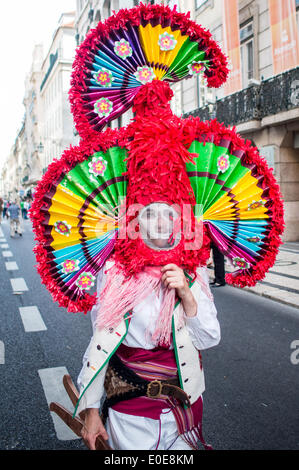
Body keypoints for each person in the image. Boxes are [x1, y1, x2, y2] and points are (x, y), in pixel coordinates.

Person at [76, 203, 221, 451]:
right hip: (132, 412)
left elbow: (209, 338)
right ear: (136, 220)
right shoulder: (116, 270)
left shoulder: (193, 267)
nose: (161, 224)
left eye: (169, 214)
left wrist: (186, 293)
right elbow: (101, 342)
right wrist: (90, 410)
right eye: (151, 214)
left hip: (183, 408)